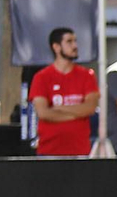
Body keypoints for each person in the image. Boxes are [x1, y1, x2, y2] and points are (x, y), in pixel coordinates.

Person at [29, 27, 99, 157]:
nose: (75, 46)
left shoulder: (87, 75)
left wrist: (60, 108)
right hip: (49, 150)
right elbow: (43, 113)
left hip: (80, 150)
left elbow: (90, 108)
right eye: (69, 41)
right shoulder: (42, 77)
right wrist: (78, 114)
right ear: (56, 47)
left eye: (75, 41)